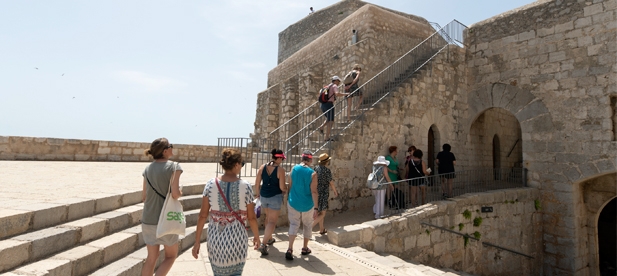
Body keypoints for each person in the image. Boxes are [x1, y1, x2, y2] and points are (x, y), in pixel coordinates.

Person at [192, 148, 260, 275]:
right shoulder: (246, 186)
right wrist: (256, 237)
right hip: (237, 240)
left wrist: (196, 242)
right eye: (242, 164)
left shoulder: (210, 184)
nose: (242, 166)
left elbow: (202, 215)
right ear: (236, 165)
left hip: (216, 239)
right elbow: (251, 217)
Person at [141, 138, 183, 276]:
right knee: (170, 256)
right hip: (166, 219)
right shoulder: (174, 167)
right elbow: (175, 194)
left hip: (148, 218)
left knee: (151, 258)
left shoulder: (147, 169)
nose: (172, 148)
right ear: (165, 151)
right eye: (171, 146)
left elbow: (144, 196)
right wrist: (180, 192)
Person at [285, 150, 319, 260]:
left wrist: (288, 198)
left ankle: (290, 248)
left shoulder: (294, 169)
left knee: (294, 224)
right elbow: (314, 192)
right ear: (310, 160)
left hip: (293, 201)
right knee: (307, 224)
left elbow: (290, 184)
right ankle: (305, 248)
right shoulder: (312, 173)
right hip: (307, 204)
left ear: (301, 158)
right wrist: (316, 207)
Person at [254, 149, 288, 256]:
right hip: (275, 197)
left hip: (264, 196)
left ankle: (269, 238)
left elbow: (257, 183)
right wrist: (286, 189)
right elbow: (282, 187)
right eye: (282, 158)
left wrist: (258, 194)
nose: (282, 160)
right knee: (272, 221)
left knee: (268, 218)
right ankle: (263, 244)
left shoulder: (262, 167)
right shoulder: (280, 170)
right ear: (278, 158)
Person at [312, 153, 338, 235]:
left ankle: (321, 229)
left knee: (320, 212)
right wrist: (335, 191)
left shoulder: (315, 168)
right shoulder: (327, 171)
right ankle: (310, 227)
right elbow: (331, 182)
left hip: (316, 192)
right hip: (323, 193)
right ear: (326, 162)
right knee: (323, 213)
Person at [319, 76, 349, 141]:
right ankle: (327, 137)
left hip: (323, 105)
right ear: (335, 80)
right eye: (338, 81)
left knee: (329, 118)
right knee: (331, 121)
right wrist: (345, 94)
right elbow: (337, 94)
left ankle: (321, 127)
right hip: (329, 105)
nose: (338, 83)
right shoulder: (334, 86)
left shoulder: (327, 86)